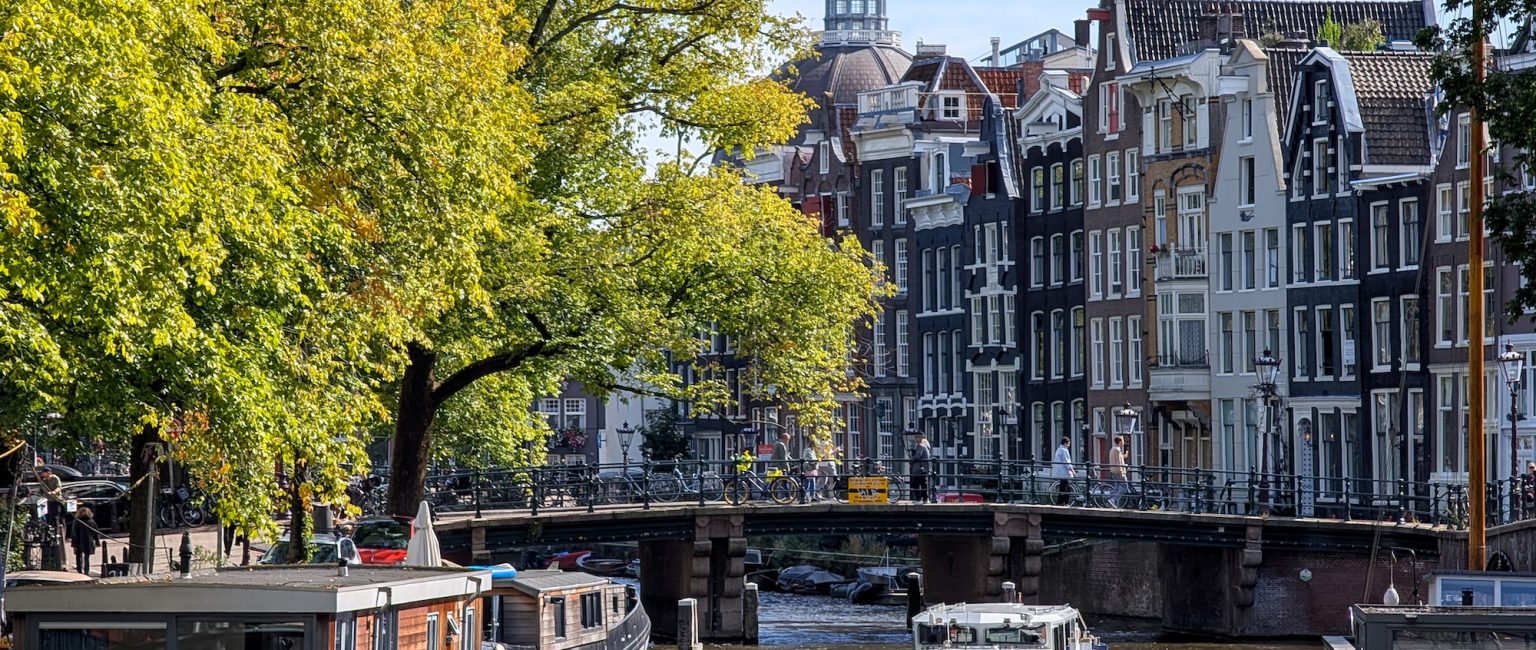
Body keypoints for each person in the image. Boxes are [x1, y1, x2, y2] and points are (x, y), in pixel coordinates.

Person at [70, 507, 101, 575]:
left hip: (78, 541)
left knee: (78, 556)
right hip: (88, 541)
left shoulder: (76, 521)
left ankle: (79, 570)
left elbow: (74, 533)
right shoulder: (91, 521)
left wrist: (73, 542)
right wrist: (97, 542)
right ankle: (86, 571)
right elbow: (96, 532)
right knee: (87, 557)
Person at [1052, 437, 1076, 506]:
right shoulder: (1064, 450)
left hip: (1059, 472)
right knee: (1066, 488)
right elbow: (1066, 461)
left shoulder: (1058, 450)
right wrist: (1071, 469)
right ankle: (1065, 502)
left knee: (1063, 487)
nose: (1069, 445)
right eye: (1068, 444)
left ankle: (1060, 502)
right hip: (1064, 472)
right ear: (1065, 443)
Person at [908, 435, 933, 503]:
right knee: (923, 484)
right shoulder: (926, 446)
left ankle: (918, 499)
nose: (915, 438)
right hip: (924, 468)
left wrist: (911, 460)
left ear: (920, 438)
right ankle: (925, 499)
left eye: (917, 437)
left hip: (919, 469)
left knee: (916, 484)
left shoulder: (920, 446)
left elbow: (918, 456)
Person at [1107, 436, 1129, 506]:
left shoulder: (1113, 449)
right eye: (1122, 441)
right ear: (1119, 442)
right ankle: (1113, 500)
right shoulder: (1117, 450)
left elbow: (1117, 459)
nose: (1123, 442)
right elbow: (1118, 463)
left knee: (1116, 487)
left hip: (1113, 471)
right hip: (1118, 472)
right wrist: (1121, 472)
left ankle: (1109, 501)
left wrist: (1124, 456)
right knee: (1125, 487)